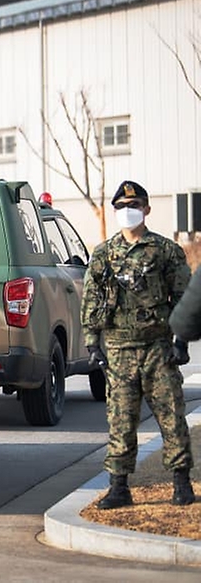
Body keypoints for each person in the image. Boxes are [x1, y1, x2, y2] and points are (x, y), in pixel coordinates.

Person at [81, 180, 194, 509]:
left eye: (133, 206)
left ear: (146, 209)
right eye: (120, 208)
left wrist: (182, 341)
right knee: (120, 419)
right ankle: (119, 487)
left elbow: (184, 298)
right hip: (118, 351)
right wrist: (92, 344)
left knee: (172, 417)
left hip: (158, 348)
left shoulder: (165, 250)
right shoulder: (104, 253)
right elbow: (92, 299)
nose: (126, 213)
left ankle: (181, 482)